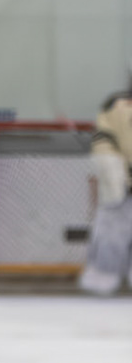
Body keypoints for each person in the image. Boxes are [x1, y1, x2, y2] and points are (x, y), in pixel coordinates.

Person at [79, 64, 132, 297]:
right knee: (111, 229)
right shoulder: (116, 104)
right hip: (120, 186)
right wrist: (113, 169)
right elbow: (104, 140)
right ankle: (103, 275)